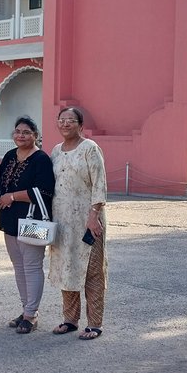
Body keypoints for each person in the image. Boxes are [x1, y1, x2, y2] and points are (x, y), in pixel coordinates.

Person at [48, 107, 108, 340]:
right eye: (62, 120)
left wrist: (94, 216)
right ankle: (70, 320)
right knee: (67, 268)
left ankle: (94, 324)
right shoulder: (56, 151)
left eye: (71, 120)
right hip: (62, 222)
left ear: (81, 125)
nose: (65, 124)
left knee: (92, 271)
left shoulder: (90, 148)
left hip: (88, 221)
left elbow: (99, 184)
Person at [0, 116, 55, 334]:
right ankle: (26, 309)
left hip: (33, 220)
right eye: (18, 131)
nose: (21, 135)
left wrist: (12, 196)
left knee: (32, 266)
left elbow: (44, 191)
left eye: (26, 132)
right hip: (10, 220)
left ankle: (31, 314)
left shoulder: (41, 159)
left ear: (35, 135)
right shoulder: (11, 155)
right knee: (18, 266)